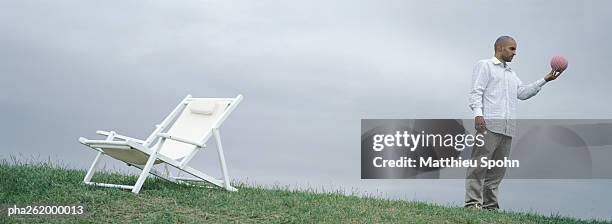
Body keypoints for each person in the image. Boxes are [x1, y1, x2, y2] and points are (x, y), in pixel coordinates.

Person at [465, 35, 563, 210]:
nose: (515, 53)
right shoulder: (485, 66)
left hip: (507, 128)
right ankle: (472, 204)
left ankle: (490, 206)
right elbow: (476, 92)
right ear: (500, 48)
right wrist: (478, 114)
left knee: (497, 171)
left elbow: (523, 93)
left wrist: (545, 79)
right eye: (512, 49)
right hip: (488, 125)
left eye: (515, 49)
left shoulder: (511, 74)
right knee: (479, 166)